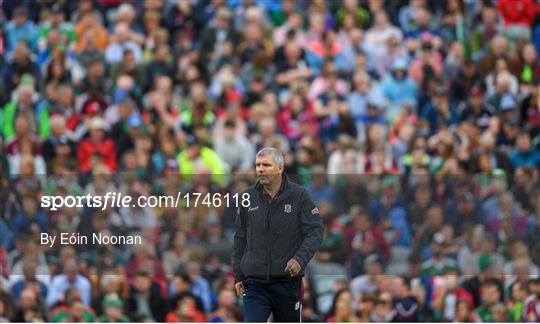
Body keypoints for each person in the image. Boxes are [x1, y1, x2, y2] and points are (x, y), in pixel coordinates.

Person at [232, 147, 323, 322]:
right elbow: (240, 239)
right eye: (258, 165)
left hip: (287, 283)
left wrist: (299, 259)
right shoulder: (247, 197)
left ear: (280, 168)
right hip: (255, 283)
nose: (260, 169)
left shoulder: (299, 195)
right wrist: (238, 275)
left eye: (266, 165)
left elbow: (315, 230)